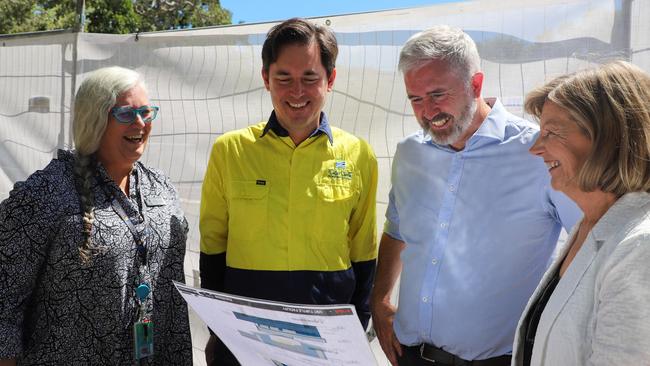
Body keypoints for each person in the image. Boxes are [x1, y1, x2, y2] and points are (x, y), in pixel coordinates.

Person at [370, 25, 581, 366]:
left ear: (476, 84)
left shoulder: (538, 153)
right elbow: (396, 228)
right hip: (410, 356)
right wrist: (379, 299)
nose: (427, 111)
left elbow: (589, 241)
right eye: (415, 99)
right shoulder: (409, 154)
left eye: (438, 94)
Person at [199, 18, 378, 366]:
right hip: (246, 341)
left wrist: (355, 336)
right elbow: (213, 250)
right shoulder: (230, 151)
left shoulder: (359, 154)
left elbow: (364, 255)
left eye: (310, 78)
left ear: (330, 80)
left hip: (326, 346)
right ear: (266, 78)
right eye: (284, 78)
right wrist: (218, 334)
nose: (297, 91)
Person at [0, 66, 192, 365]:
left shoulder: (161, 189)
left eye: (146, 112)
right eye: (126, 114)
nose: (140, 123)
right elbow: (4, 296)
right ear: (95, 119)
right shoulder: (47, 192)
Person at [511, 61, 650, 366]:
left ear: (607, 137)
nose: (536, 148)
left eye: (551, 133)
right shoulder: (589, 226)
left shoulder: (640, 247)